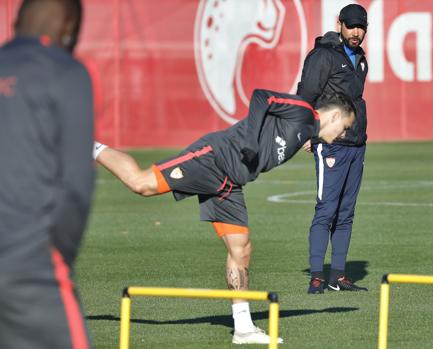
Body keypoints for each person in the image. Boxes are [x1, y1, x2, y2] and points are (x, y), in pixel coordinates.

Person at [94, 90, 355, 344]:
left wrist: (307, 139)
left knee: (241, 248)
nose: (343, 134)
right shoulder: (303, 111)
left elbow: (289, 134)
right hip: (212, 159)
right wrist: (252, 140)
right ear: (333, 116)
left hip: (229, 185)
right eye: (344, 127)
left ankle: (242, 328)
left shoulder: (307, 130)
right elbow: (262, 97)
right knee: (142, 184)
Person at [0, 0, 94, 348]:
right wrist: (56, 258)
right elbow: (75, 187)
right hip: (31, 269)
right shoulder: (66, 72)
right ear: (68, 27)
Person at [297, 3, 369, 294]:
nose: (356, 32)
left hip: (356, 144)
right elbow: (306, 95)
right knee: (326, 210)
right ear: (339, 24)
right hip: (330, 145)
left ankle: (338, 275)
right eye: (351, 26)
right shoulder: (322, 56)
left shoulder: (361, 60)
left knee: (346, 212)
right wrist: (304, 131)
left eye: (361, 27)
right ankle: (317, 275)